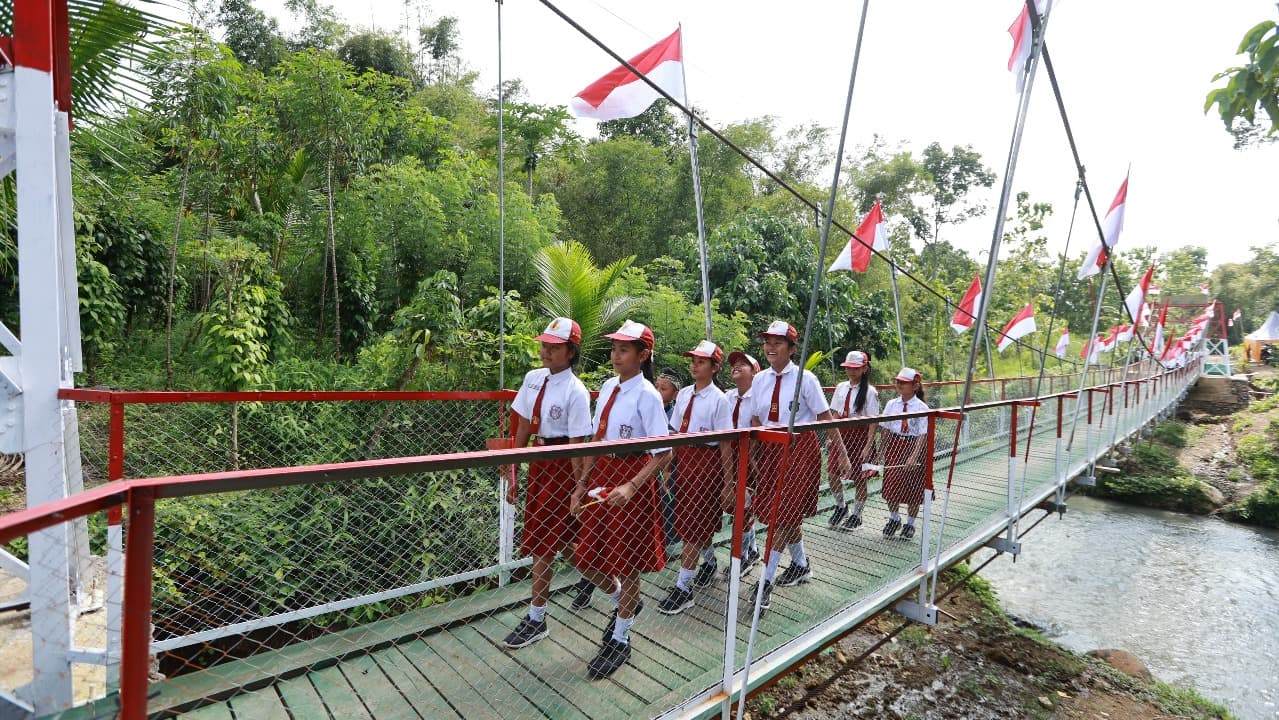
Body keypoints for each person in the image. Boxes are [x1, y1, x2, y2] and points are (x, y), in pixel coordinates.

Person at [572, 320, 671, 679]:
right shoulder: (608, 387)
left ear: (643, 356)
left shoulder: (647, 395)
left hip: (632, 477)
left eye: (624, 349)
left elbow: (663, 452)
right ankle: (623, 604)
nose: (615, 355)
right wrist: (581, 484)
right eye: (614, 348)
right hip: (603, 473)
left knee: (627, 564)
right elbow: (597, 440)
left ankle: (621, 638)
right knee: (586, 557)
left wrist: (631, 486)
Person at [502, 318, 595, 650]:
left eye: (554, 347)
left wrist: (579, 486)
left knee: (544, 541)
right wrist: (513, 465)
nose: (546, 351)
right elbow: (523, 425)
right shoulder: (533, 379)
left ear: (570, 352)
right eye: (544, 345)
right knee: (566, 543)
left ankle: (536, 617)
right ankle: (614, 590)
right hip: (539, 462)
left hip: (561, 466)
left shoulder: (575, 391)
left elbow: (577, 444)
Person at [748, 321, 851, 612]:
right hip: (770, 449)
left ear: (792, 349)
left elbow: (824, 416)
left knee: (781, 515)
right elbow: (756, 419)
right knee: (786, 513)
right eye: (767, 341)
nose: (770, 347)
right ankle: (801, 564)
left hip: (799, 451)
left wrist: (841, 453)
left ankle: (765, 581)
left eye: (778, 342)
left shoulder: (806, 379)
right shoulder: (760, 379)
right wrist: (753, 455)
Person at [657, 340, 734, 615]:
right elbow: (676, 434)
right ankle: (709, 562)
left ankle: (684, 587)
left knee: (693, 525)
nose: (694, 365)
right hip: (685, 461)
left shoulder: (719, 400)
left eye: (701, 362)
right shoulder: (685, 395)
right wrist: (669, 467)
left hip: (706, 463)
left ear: (714, 367)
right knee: (691, 520)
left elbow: (725, 443)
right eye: (693, 361)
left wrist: (728, 482)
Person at [721, 351, 763, 578]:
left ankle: (744, 556)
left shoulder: (759, 397)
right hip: (729, 455)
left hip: (750, 455)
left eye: (742, 364)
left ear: (754, 372)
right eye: (734, 364)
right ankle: (752, 550)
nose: (736, 366)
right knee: (735, 506)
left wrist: (754, 458)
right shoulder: (727, 397)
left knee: (744, 507)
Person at [828, 350, 880, 532]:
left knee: (859, 478)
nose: (851, 371)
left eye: (855, 368)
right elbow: (835, 413)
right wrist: (831, 436)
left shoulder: (870, 392)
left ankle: (857, 515)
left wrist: (868, 446)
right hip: (841, 435)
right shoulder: (841, 387)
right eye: (849, 368)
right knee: (832, 473)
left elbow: (873, 421)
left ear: (864, 369)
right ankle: (841, 506)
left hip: (859, 436)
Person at [879, 367, 930, 540]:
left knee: (913, 487)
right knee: (891, 483)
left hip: (914, 445)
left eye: (904, 382)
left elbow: (923, 434)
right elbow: (886, 429)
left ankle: (910, 523)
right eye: (898, 382)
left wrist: (914, 456)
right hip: (895, 444)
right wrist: (881, 451)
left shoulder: (921, 407)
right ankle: (894, 518)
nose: (899, 385)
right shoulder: (892, 404)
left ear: (915, 386)